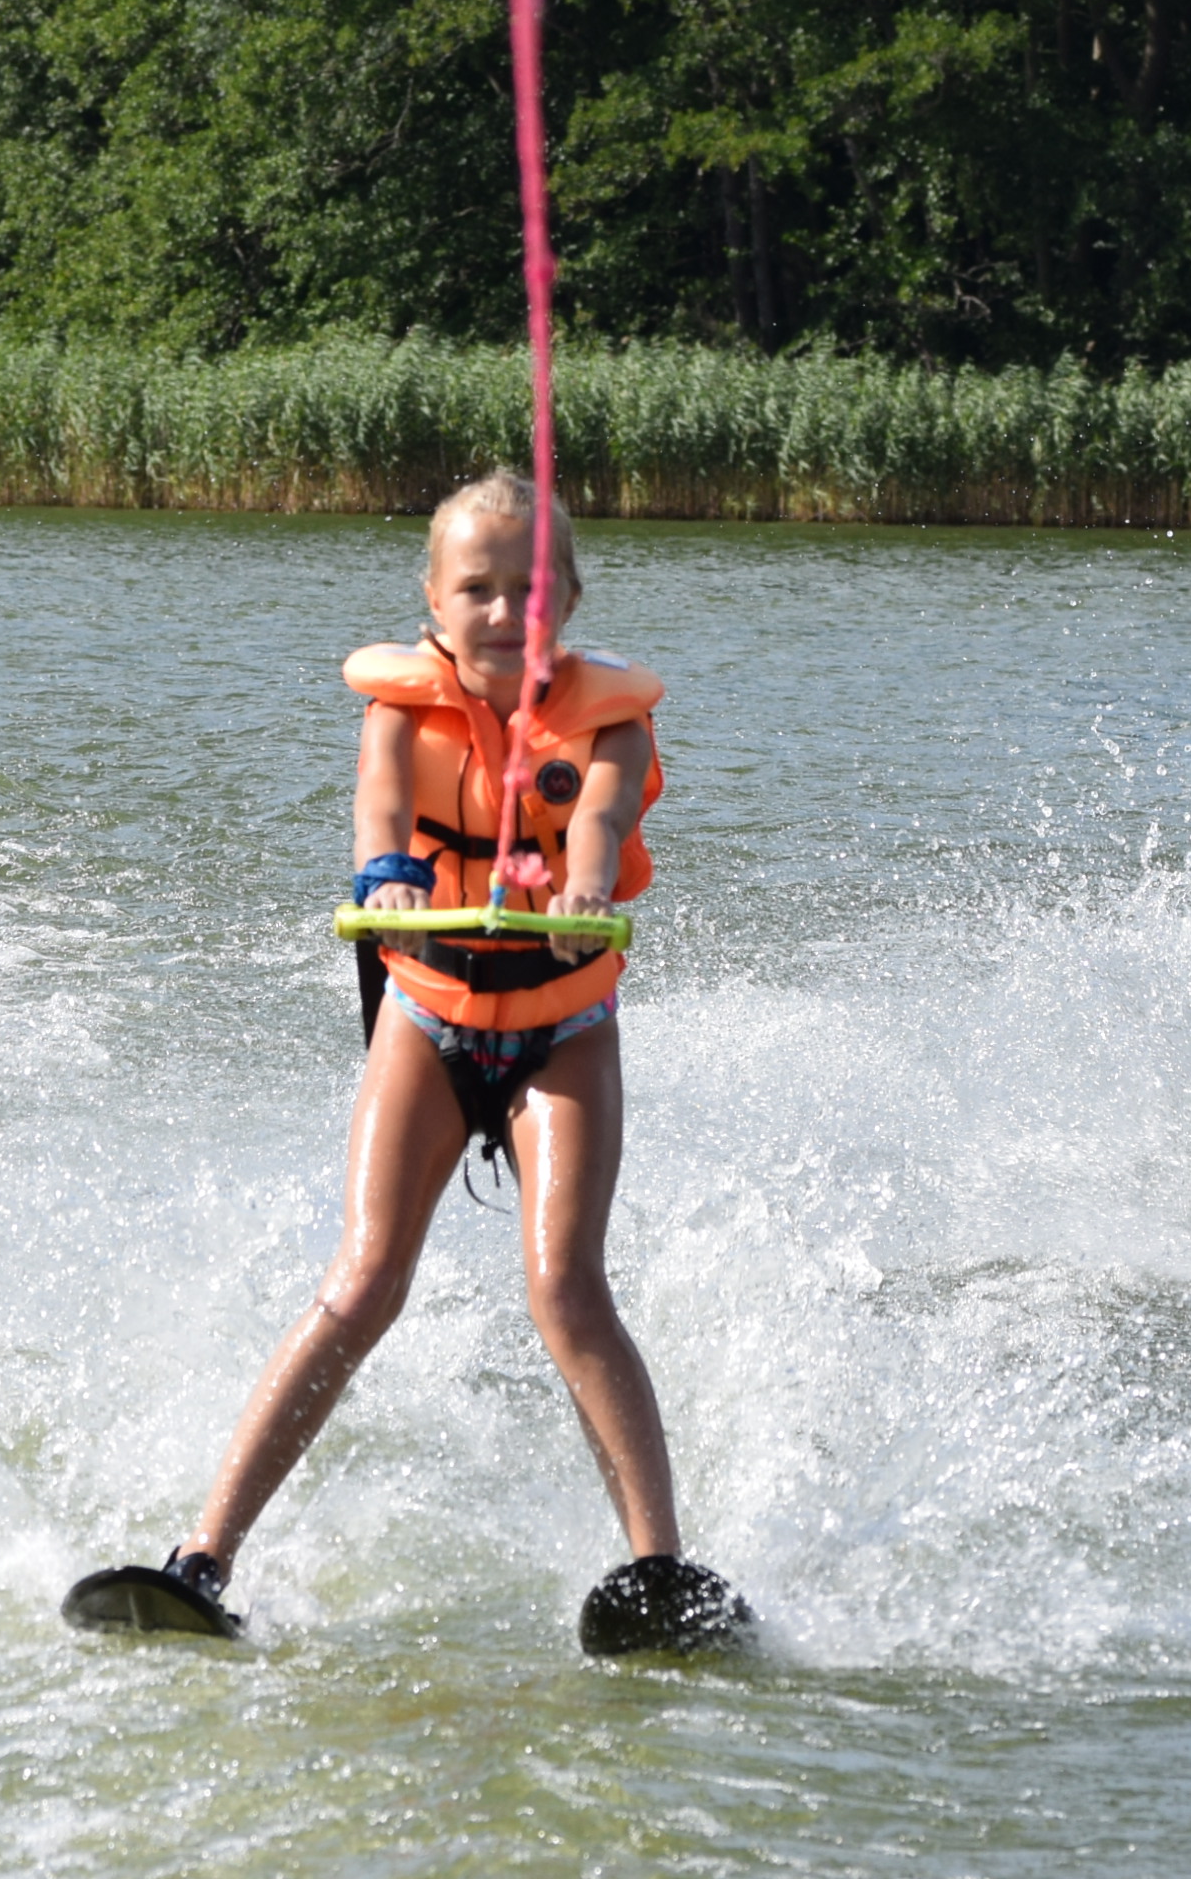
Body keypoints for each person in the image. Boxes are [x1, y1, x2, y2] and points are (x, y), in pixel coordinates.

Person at [81, 474, 744, 1650]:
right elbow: (381, 815)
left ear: (570, 599)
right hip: (429, 1018)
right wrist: (383, 876)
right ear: (433, 604)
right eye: (475, 589)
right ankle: (203, 1561)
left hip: (563, 1029)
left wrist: (583, 885)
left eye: (528, 591)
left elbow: (596, 816)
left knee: (565, 1289)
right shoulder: (398, 712)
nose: (502, 612)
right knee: (361, 1281)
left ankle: (660, 1572)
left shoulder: (612, 722)